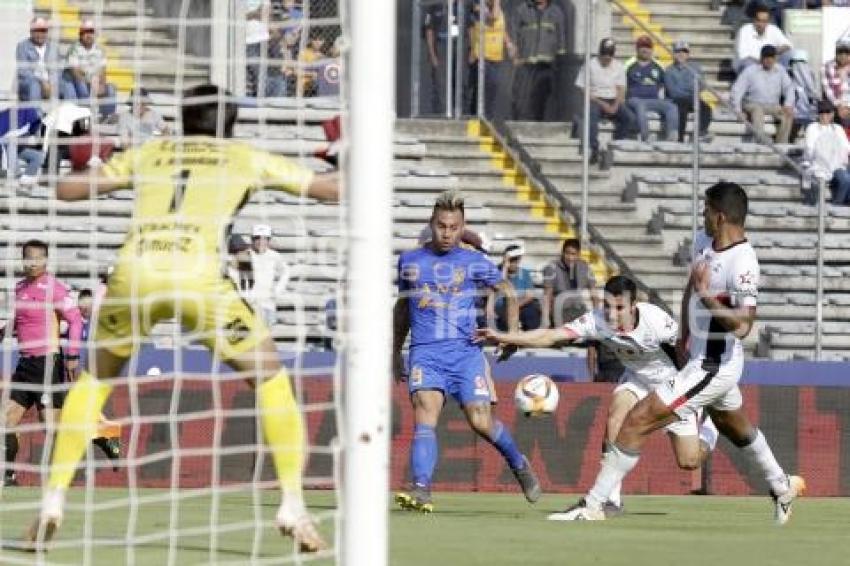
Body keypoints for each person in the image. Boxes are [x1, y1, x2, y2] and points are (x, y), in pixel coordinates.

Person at [24, 84, 340, 553]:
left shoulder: (151, 151)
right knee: (271, 378)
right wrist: (343, 155)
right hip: (199, 277)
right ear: (229, 124)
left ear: (183, 117)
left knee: (94, 380)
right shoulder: (244, 156)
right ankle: (292, 502)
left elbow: (70, 190)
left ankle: (53, 499)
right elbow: (330, 191)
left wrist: (76, 159)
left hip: (136, 272)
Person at [547, 182, 805, 524]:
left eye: (706, 210)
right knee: (736, 426)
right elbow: (689, 288)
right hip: (699, 357)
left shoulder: (744, 263)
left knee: (637, 418)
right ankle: (781, 483)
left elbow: (743, 326)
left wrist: (707, 296)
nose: (702, 215)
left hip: (715, 365)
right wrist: (684, 333)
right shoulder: (703, 240)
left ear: (721, 216)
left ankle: (594, 505)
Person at [477, 275, 719, 517]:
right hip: (636, 379)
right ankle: (610, 499)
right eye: (607, 306)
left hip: (674, 384)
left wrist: (699, 392)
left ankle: (709, 430)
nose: (611, 314)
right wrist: (505, 337)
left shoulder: (656, 320)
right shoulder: (596, 320)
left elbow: (686, 354)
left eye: (619, 307)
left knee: (689, 461)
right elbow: (551, 335)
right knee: (616, 414)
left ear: (633, 306)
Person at [392, 191, 540, 513]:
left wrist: (512, 334)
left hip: (465, 354)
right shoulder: (410, 262)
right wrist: (394, 352)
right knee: (425, 414)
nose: (447, 233)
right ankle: (421, 488)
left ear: (463, 227)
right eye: (441, 226)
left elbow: (508, 291)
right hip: (425, 353)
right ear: (432, 224)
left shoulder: (474, 262)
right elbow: (402, 309)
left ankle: (518, 462)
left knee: (480, 421)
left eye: (454, 227)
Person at [0, 241, 117, 487]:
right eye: (28, 258)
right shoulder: (20, 287)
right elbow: (21, 321)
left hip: (46, 364)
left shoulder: (54, 288)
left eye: (37, 259)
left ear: (45, 261)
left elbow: (74, 321)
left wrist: (72, 355)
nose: (32, 263)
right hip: (25, 364)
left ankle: (101, 433)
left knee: (52, 429)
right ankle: (8, 474)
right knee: (4, 421)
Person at [574, 38, 636, 164]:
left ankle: (616, 145)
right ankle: (594, 148)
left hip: (613, 98)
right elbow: (583, 89)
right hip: (595, 99)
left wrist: (615, 105)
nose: (606, 58)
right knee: (591, 116)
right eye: (604, 54)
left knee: (629, 117)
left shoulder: (618, 66)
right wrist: (603, 104)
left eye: (609, 55)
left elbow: (621, 88)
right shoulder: (590, 65)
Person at [507, 0, 567, 121]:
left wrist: (559, 65)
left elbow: (561, 42)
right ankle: (518, 126)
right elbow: (513, 36)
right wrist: (514, 57)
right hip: (525, 64)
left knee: (541, 101)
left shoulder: (556, 12)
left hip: (546, 66)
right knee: (520, 100)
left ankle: (537, 128)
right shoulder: (522, 10)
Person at [730, 45, 795, 144]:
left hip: (773, 105)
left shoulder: (780, 70)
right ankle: (761, 142)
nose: (769, 60)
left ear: (775, 58)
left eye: (771, 57)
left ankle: (781, 145)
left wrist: (788, 104)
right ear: (761, 58)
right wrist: (737, 110)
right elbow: (737, 90)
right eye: (766, 57)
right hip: (752, 103)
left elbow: (789, 88)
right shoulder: (750, 71)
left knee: (787, 114)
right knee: (757, 111)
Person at [626, 35, 679, 142]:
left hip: (654, 99)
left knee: (671, 107)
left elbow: (665, 85)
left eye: (648, 47)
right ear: (637, 49)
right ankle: (646, 136)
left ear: (652, 49)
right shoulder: (629, 64)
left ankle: (672, 135)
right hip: (635, 99)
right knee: (641, 106)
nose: (645, 49)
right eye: (642, 47)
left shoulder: (658, 66)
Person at [61, 20, 117, 119]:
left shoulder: (100, 50)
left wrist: (102, 84)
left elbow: (102, 71)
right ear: (80, 35)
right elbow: (75, 72)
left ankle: (107, 117)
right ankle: (83, 117)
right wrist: (91, 82)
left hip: (92, 80)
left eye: (91, 32)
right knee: (82, 88)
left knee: (110, 89)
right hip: (75, 80)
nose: (89, 35)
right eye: (85, 32)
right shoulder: (74, 49)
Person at [541, 238, 599, 328]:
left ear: (579, 254)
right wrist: (545, 317)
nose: (570, 257)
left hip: (579, 309)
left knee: (591, 328)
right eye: (567, 253)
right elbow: (547, 294)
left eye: (573, 254)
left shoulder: (584, 267)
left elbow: (594, 292)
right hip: (560, 310)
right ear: (563, 252)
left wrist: (597, 313)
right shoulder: (551, 268)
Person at [240, 223, 289, 328]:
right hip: (250, 305)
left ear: (269, 240)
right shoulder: (245, 255)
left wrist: (278, 290)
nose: (260, 242)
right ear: (252, 239)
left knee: (266, 336)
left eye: (264, 238)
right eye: (257, 238)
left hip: (268, 304)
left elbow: (286, 272)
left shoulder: (274, 256)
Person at [466, 0, 509, 118]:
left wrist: (508, 43)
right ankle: (481, 116)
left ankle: (485, 116)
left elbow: (501, 27)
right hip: (483, 55)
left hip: (496, 56)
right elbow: (493, 18)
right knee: (487, 86)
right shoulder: (478, 8)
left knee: (492, 87)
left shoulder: (498, 9)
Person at [664, 40, 713, 143]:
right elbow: (673, 92)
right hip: (677, 100)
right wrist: (691, 89)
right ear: (673, 53)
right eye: (678, 51)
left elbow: (702, 85)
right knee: (681, 107)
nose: (681, 54)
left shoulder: (695, 67)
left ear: (688, 54)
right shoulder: (669, 70)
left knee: (707, 108)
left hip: (692, 98)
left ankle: (700, 133)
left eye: (684, 51)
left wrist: (686, 89)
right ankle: (680, 138)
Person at [804, 101, 850, 205]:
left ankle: (837, 203)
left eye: (828, 112)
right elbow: (809, 148)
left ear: (832, 114)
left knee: (846, 179)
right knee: (818, 181)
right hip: (818, 165)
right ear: (818, 114)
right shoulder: (812, 128)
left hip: (836, 165)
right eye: (822, 112)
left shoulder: (838, 128)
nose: (825, 115)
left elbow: (846, 146)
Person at [734, 5, 791, 73]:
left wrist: (774, 52)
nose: (761, 24)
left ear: (768, 21)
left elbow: (787, 45)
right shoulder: (745, 30)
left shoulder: (773, 29)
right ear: (754, 20)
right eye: (758, 20)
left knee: (793, 55)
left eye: (764, 21)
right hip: (749, 65)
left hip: (769, 64)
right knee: (750, 64)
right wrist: (764, 61)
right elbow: (743, 55)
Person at [495, 244, 540, 331]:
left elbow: (529, 296)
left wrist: (516, 305)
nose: (513, 263)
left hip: (521, 306)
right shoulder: (498, 272)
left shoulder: (525, 273)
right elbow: (500, 287)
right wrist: (505, 267)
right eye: (510, 260)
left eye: (516, 259)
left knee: (531, 312)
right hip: (503, 307)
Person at [15, 17, 60, 103]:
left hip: (50, 82)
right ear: (31, 32)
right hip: (30, 82)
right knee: (34, 86)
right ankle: (36, 115)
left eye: (43, 31)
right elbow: (23, 72)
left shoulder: (53, 48)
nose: (40, 34)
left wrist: (51, 83)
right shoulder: (22, 46)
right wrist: (42, 82)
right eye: (37, 31)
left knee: (66, 85)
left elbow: (58, 70)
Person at [0, 105, 46, 186]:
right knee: (11, 144)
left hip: (17, 147)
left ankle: (25, 182)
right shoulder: (11, 117)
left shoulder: (31, 123)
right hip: (6, 145)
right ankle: (17, 176)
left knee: (38, 157)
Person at [787, 49, 818, 142]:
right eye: (795, 63)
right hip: (794, 111)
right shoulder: (788, 76)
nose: (799, 67)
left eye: (801, 63)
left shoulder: (811, 75)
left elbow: (813, 93)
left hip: (808, 111)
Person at [244, 0, 272, 97]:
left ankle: (261, 99)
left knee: (260, 73)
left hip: (261, 39)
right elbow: (237, 16)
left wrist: (249, 14)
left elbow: (265, 14)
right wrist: (255, 13)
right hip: (244, 40)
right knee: (249, 73)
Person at [822, 39, 850, 133]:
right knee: (842, 116)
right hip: (835, 103)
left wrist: (848, 105)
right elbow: (828, 91)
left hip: (848, 103)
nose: (843, 56)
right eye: (840, 52)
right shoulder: (827, 67)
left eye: (847, 53)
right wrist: (839, 105)